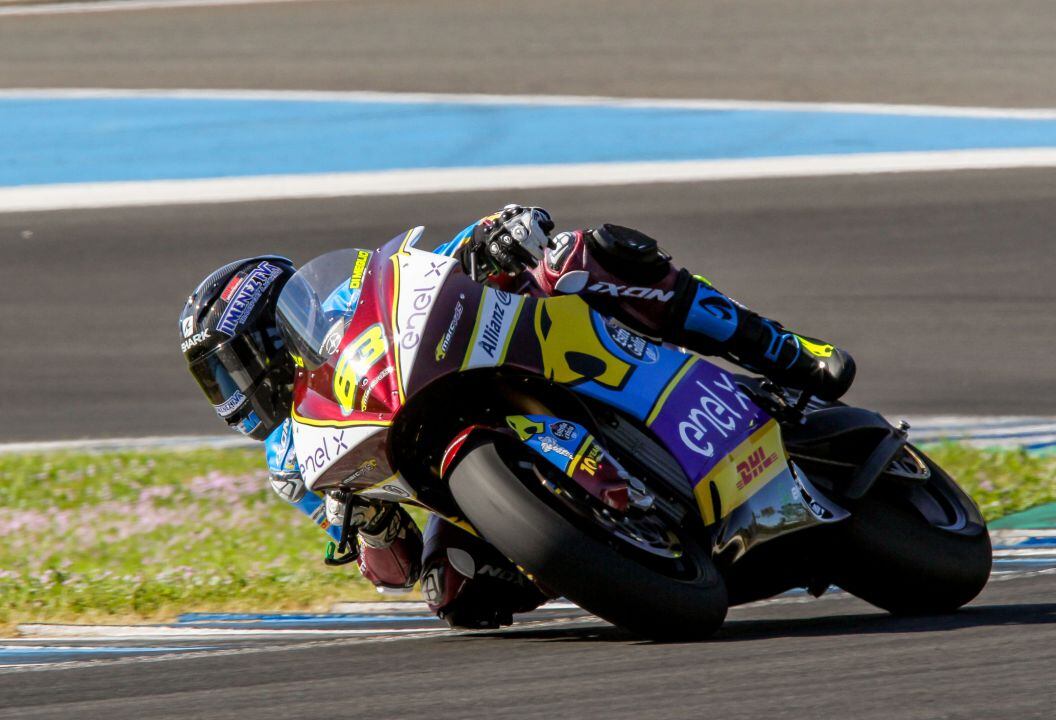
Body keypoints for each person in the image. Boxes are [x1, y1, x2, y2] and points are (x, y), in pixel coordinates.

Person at [179, 205, 855, 629]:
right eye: (216, 378)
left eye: (233, 365)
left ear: (272, 334)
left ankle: (784, 349)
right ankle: (605, 549)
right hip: (451, 467)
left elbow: (429, 271)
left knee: (580, 259)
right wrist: (367, 524)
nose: (231, 388)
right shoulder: (292, 461)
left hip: (493, 356)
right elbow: (395, 567)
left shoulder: (349, 304)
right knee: (453, 594)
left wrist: (498, 236)